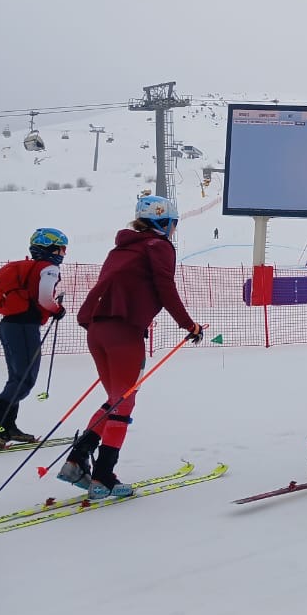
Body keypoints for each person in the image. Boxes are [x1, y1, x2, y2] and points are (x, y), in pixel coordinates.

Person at [57, 196, 204, 499]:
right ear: (164, 222)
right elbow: (166, 287)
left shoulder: (121, 248)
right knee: (123, 404)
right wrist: (189, 325)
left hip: (97, 329)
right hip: (123, 331)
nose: (174, 229)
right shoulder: (159, 246)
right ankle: (103, 477)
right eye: (173, 223)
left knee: (115, 399)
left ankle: (76, 460)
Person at [0, 228, 69, 447]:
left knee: (16, 379)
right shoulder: (48, 268)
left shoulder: (28, 266)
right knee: (25, 380)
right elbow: (45, 297)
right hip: (24, 326)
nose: (63, 253)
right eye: (61, 249)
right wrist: (57, 309)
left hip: (9, 325)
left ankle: (7, 425)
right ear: (50, 249)